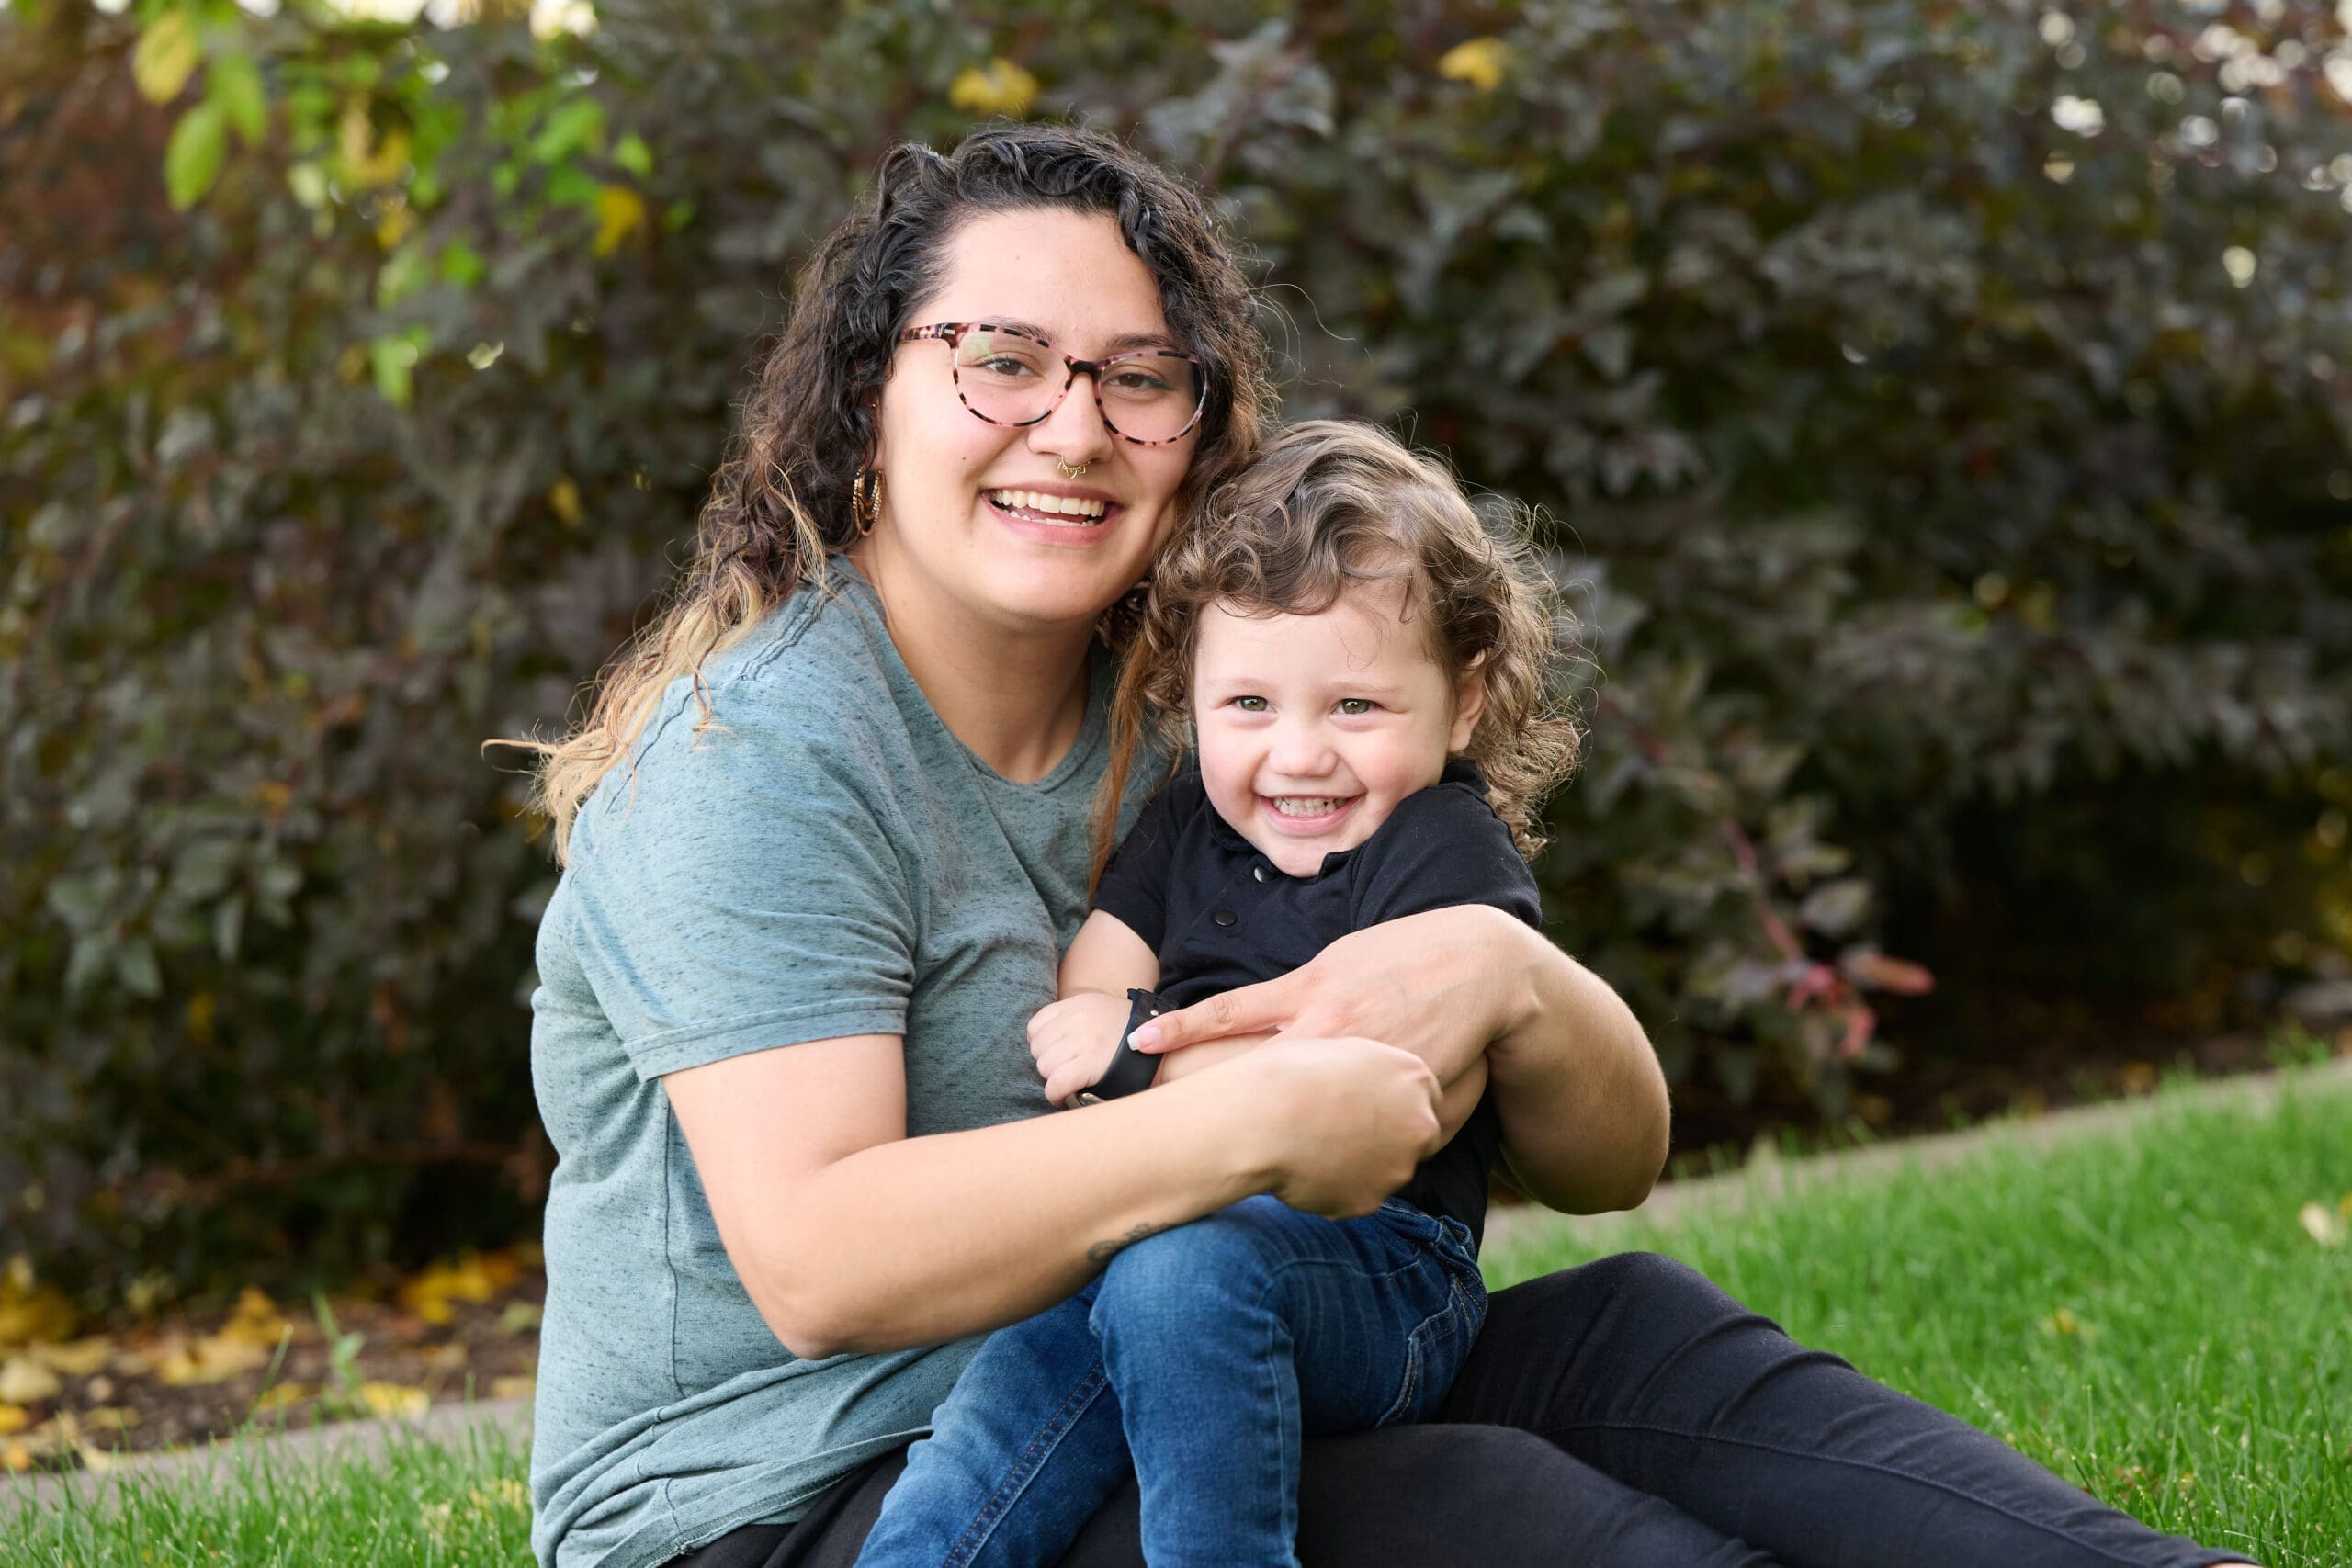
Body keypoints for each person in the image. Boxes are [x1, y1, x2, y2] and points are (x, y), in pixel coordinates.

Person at [519, 122, 2256, 1568]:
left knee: (1647, 1335)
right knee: (1489, 1517)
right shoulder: (760, 758)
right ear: (868, 393)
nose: (1072, 425)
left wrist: (1505, 974)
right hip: (800, 1499)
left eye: (1142, 378)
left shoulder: (1229, 707)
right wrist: (1261, 1112)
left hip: (1193, 1346)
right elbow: (824, 1263)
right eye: (999, 359)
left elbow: (1606, 1160)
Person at [852, 420, 1573, 1568]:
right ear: (1191, 692)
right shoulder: (1184, 824)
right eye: (1248, 707)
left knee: (1179, 1281)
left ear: (1465, 703)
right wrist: (1126, 1051)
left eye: (1354, 708)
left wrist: (1140, 1052)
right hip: (1152, 1236)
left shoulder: (1446, 848)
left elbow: (1392, 1094)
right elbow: (1076, 1027)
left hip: (1381, 1274)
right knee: (1004, 1402)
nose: (1296, 756)